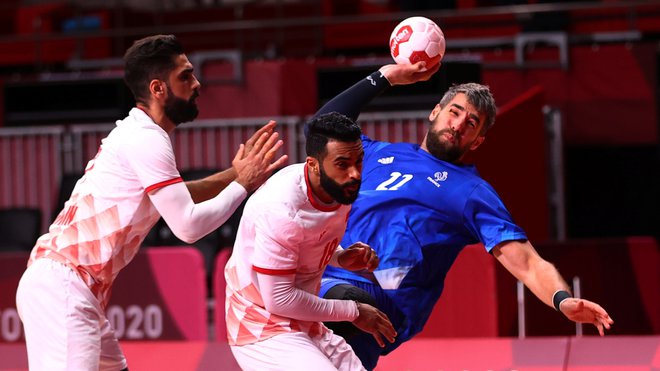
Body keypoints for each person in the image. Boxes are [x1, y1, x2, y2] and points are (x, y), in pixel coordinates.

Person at [314, 62, 614, 370]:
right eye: (454, 112)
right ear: (435, 112)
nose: (458, 124)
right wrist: (386, 77)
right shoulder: (377, 153)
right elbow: (324, 124)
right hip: (324, 277)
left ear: (477, 141)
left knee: (327, 307)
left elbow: (526, 262)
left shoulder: (470, 192)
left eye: (471, 123)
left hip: (377, 301)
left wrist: (561, 299)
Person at [15, 34, 288, 371]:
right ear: (159, 89)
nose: (197, 83)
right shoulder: (146, 139)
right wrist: (242, 185)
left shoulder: (138, 132)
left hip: (73, 287)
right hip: (64, 287)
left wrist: (234, 174)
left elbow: (179, 195)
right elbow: (188, 226)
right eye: (185, 76)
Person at [224, 112, 397, 371]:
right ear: (313, 165)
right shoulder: (282, 210)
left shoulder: (338, 189)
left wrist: (339, 257)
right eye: (342, 164)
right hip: (260, 324)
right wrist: (354, 311)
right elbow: (279, 300)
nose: (355, 174)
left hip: (305, 321)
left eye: (358, 161)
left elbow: (308, 239)